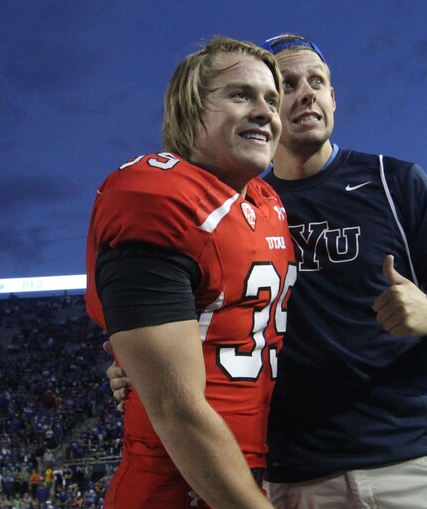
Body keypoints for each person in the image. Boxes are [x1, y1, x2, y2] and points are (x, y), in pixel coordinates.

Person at [257, 33, 427, 509]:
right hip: (298, 478)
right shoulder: (245, 206)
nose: (306, 92)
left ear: (333, 98)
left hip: (415, 464)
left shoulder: (395, 182)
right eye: (287, 84)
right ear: (267, 107)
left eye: (317, 81)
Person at [88, 36, 292, 509]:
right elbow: (175, 408)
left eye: (271, 99)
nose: (265, 111)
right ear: (190, 108)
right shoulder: (152, 194)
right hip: (176, 484)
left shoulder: (267, 203)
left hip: (252, 471)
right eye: (240, 94)